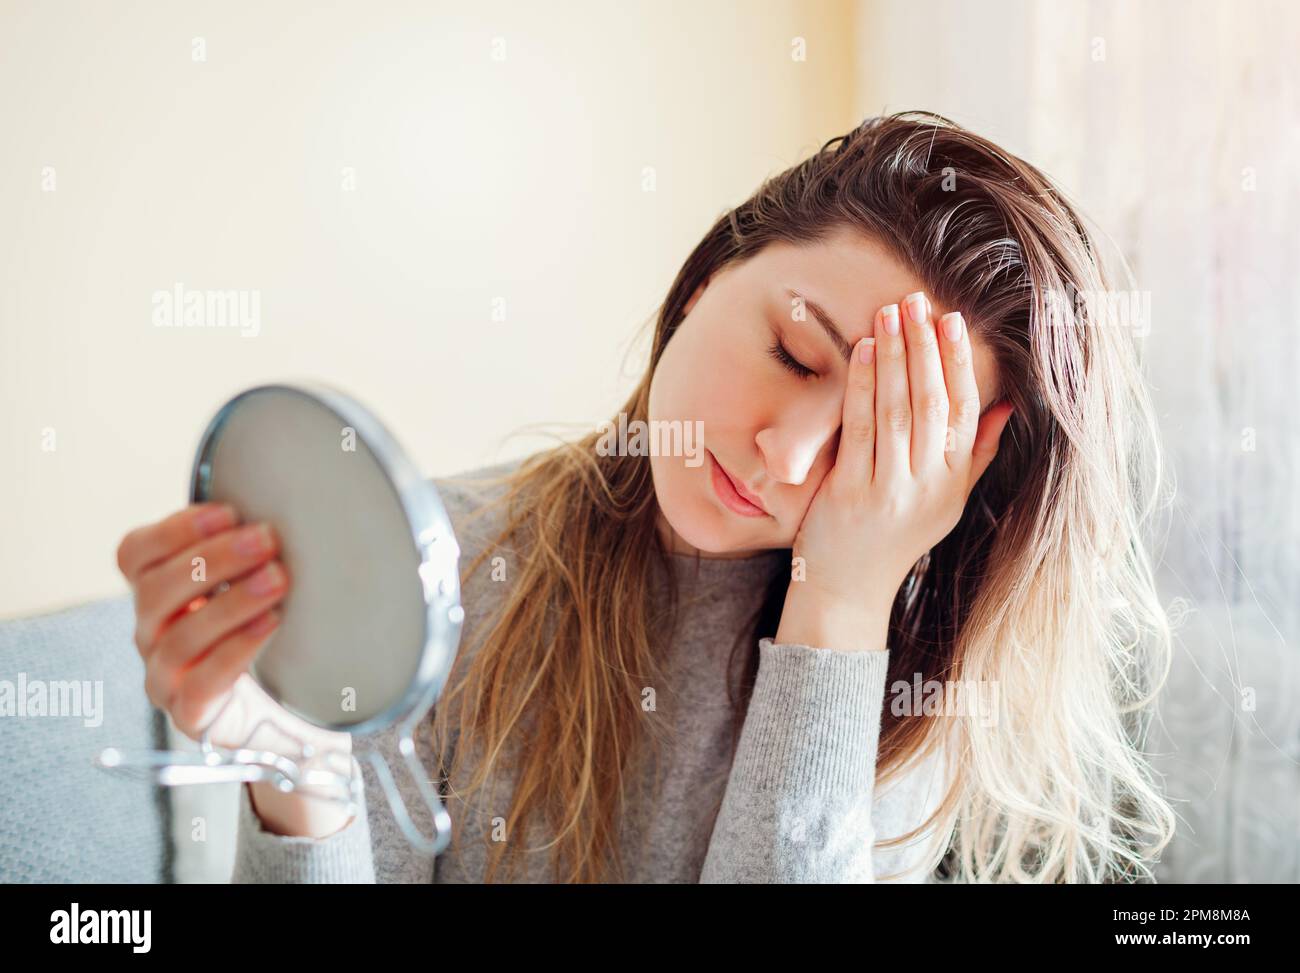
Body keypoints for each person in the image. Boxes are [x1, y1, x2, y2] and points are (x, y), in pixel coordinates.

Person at [115, 110, 1176, 883]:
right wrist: (293, 754)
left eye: (870, 440)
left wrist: (839, 616)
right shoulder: (435, 567)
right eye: (795, 353)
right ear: (710, 273)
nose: (787, 456)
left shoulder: (911, 683)